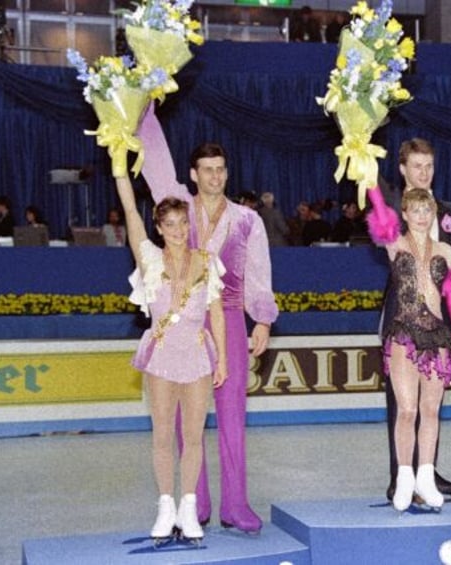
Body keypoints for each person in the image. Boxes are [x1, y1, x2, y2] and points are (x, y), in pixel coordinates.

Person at [138, 103, 279, 534]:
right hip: (184, 326)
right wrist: (142, 111)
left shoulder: (248, 220)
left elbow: (259, 274)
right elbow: (155, 163)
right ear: (193, 174)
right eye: (207, 169)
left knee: (233, 418)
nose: (216, 176)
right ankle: (192, 505)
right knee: (184, 418)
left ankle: (236, 507)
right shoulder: (178, 206)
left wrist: (263, 321)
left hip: (231, 321)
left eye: (221, 169)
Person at [115, 172, 227, 545]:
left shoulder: (206, 261)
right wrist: (119, 169)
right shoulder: (148, 257)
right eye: (170, 224)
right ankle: (165, 507)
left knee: (193, 437)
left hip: (197, 354)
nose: (178, 230)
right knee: (163, 435)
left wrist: (222, 359)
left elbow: (218, 313)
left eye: (183, 223)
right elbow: (130, 210)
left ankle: (189, 507)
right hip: (161, 354)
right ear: (159, 228)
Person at [381, 138, 451, 505]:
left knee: (431, 406)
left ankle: (427, 472)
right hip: (401, 321)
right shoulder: (392, 214)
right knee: (402, 405)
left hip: (439, 325)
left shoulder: (449, 212)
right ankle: (399, 479)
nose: (424, 173)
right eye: (416, 166)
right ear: (402, 169)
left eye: (429, 166)